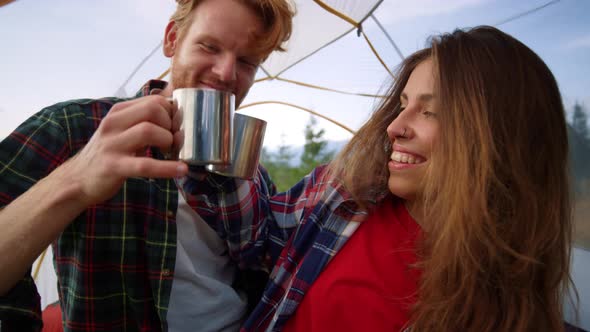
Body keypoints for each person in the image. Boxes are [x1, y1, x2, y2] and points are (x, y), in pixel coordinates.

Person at [186, 26, 575, 331]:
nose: (394, 127)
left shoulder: (502, 300)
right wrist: (211, 147)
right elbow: (257, 239)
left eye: (431, 112)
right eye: (403, 105)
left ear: (499, 136)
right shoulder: (347, 194)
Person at [0, 0, 294, 331]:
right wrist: (77, 178)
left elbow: (264, 268)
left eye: (246, 61)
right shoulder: (76, 127)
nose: (226, 73)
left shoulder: (251, 171)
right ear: (172, 39)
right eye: (209, 46)